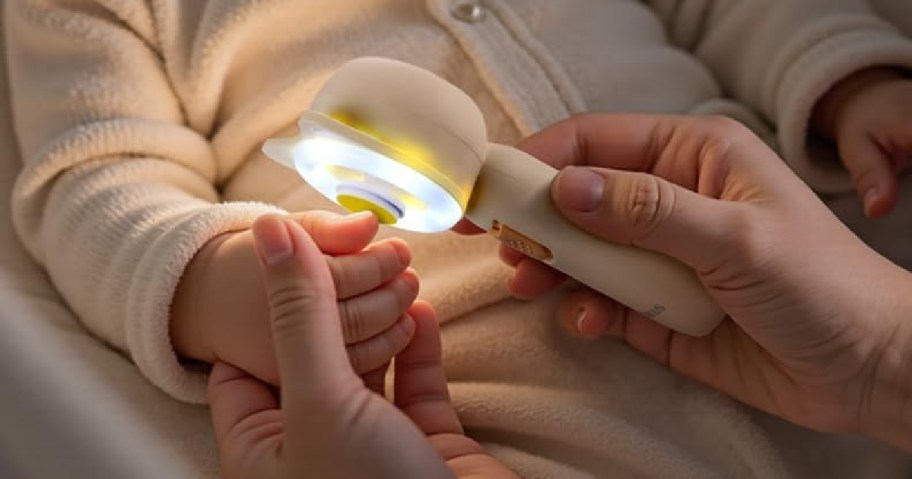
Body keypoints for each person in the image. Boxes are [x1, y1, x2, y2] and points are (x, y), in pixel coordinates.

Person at [6, 0, 912, 476]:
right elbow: (97, 176)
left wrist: (841, 74)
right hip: (521, 418)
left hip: (826, 301)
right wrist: (215, 285)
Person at [208, 114, 912, 478]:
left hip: (846, 427)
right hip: (525, 438)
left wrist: (845, 79)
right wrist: (210, 279)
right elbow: (132, 171)